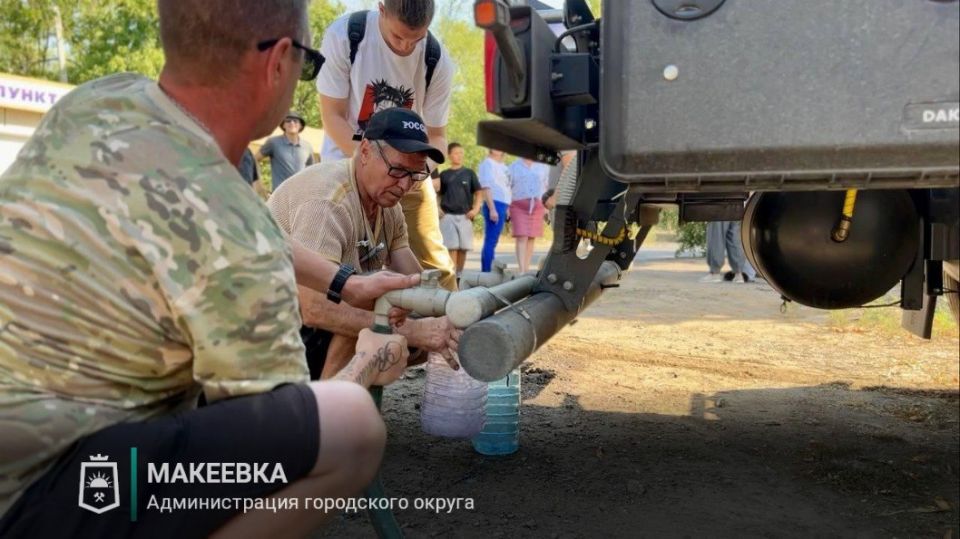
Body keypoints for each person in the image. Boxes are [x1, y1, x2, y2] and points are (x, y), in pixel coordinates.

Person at [0, 1, 419, 536]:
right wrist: (365, 366)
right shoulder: (235, 236)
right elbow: (272, 455)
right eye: (308, 64)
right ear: (278, 63)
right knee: (350, 427)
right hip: (39, 495)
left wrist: (347, 282)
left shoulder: (103, 98)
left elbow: (201, 217)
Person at [269, 108, 461, 379]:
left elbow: (412, 278)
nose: (405, 184)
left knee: (401, 319)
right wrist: (417, 332)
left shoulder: (387, 201)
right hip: (268, 326)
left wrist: (455, 311)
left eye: (416, 174)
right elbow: (313, 308)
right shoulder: (328, 202)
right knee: (376, 306)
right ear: (366, 151)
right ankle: (324, 406)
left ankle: (342, 394)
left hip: (302, 325)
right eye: (397, 170)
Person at [316, 0, 458, 291]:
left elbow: (437, 136)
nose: (406, 47)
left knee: (435, 264)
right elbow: (332, 116)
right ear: (381, 9)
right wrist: (375, 168)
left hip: (409, 170)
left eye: (415, 39)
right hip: (346, 164)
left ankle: (451, 325)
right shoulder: (346, 36)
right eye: (398, 37)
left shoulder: (436, 59)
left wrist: (418, 172)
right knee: (342, 268)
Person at [435, 142, 482, 275]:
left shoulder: (469, 173)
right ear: (449, 155)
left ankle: (459, 275)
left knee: (463, 248)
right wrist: (438, 208)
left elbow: (479, 192)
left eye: (461, 153)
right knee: (452, 247)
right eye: (456, 153)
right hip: (448, 216)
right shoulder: (444, 174)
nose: (459, 156)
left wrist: (476, 209)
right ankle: (452, 275)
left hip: (465, 216)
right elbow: (437, 194)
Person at [508, 157, 550, 273]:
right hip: (518, 204)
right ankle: (521, 269)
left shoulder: (543, 166)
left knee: (531, 237)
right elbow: (507, 187)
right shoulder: (514, 166)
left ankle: (526, 267)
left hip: (537, 204)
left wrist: (546, 207)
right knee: (522, 236)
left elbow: (546, 186)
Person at [256, 110, 315, 191]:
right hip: (279, 194)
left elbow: (311, 170)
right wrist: (258, 184)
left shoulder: (307, 146)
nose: (292, 123)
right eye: (288, 121)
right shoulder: (273, 142)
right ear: (283, 125)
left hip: (301, 194)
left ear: (300, 126)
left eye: (295, 121)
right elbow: (254, 159)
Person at [477, 149, 510, 272]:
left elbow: (507, 187)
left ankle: (490, 269)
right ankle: (486, 272)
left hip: (503, 204)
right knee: (490, 240)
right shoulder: (487, 164)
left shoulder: (504, 167)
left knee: (494, 240)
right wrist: (492, 209)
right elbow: (486, 187)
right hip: (494, 203)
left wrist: (508, 208)